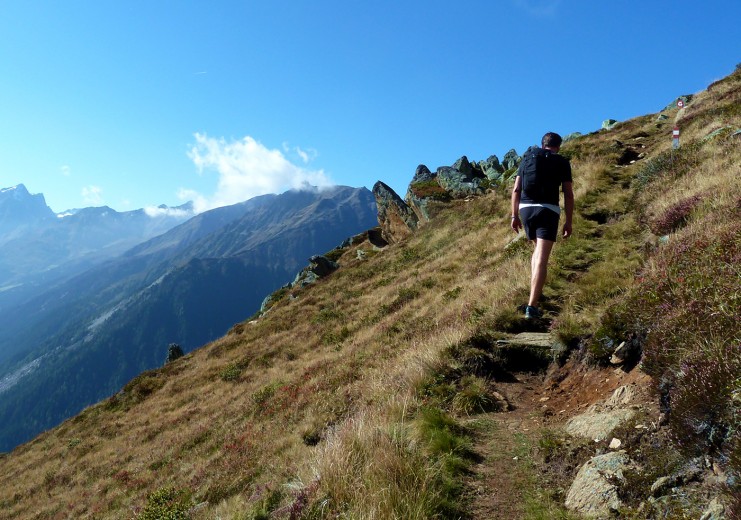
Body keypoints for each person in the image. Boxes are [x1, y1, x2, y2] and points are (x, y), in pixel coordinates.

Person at [510, 132, 574, 319]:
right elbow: (568, 194)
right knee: (542, 258)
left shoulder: (527, 158)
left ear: (542, 144)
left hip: (526, 209)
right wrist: (568, 221)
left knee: (537, 250)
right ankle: (532, 306)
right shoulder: (561, 161)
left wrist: (514, 215)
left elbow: (516, 189)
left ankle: (535, 293)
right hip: (548, 210)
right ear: (558, 146)